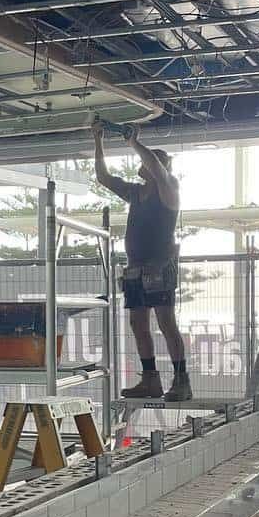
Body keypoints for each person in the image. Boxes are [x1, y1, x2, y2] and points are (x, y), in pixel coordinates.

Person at [92, 119, 191, 401]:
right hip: (136, 268)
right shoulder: (136, 192)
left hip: (158, 266)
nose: (142, 164)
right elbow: (104, 177)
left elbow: (158, 170)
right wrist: (98, 141)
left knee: (166, 322)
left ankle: (181, 380)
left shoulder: (168, 189)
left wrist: (134, 143)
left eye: (149, 161)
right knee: (138, 324)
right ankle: (150, 379)